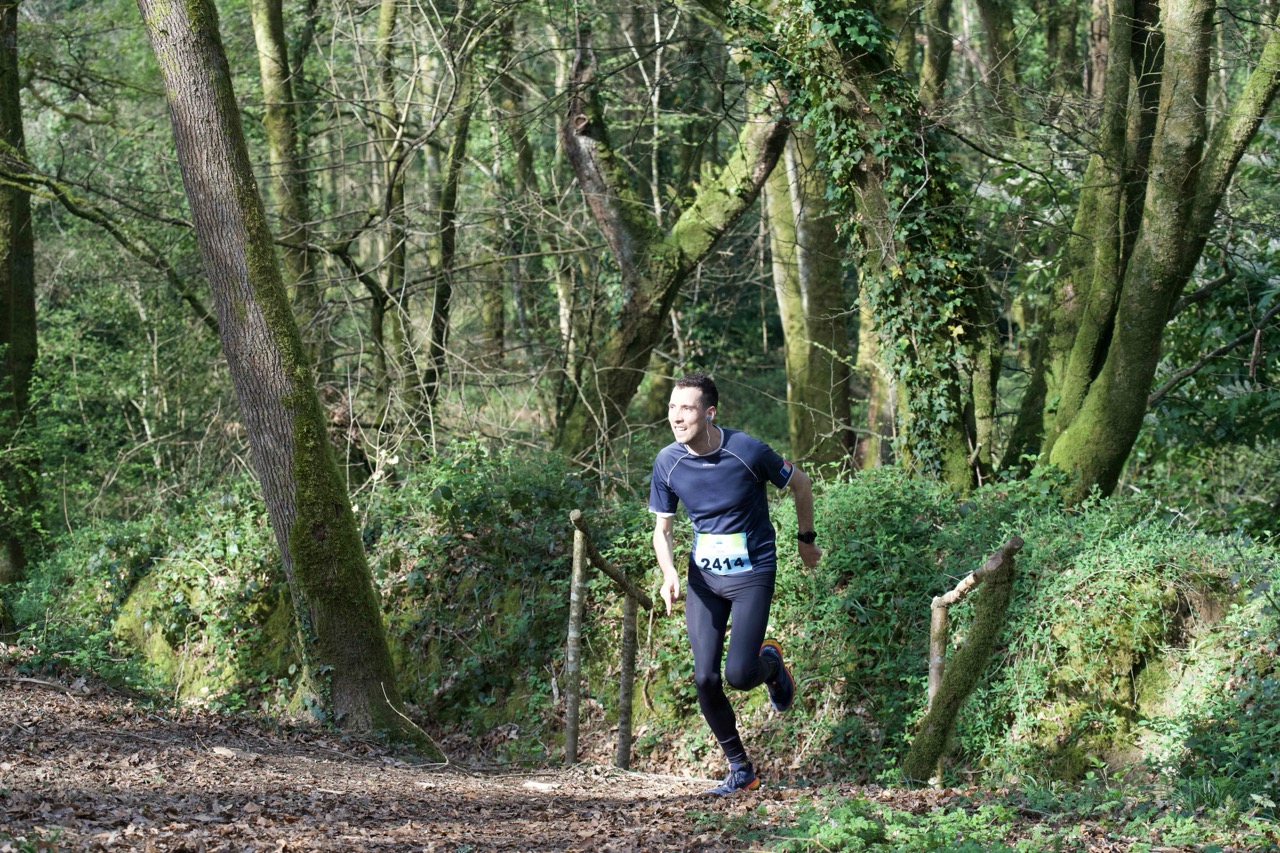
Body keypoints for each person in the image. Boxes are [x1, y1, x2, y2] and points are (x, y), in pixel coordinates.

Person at [649, 372, 821, 795]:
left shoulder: (746, 451)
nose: (676, 417)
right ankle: (741, 770)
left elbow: (801, 484)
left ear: (709, 413)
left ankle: (771, 663)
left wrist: (806, 541)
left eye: (686, 408)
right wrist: (669, 573)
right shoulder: (668, 461)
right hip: (704, 580)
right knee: (705, 678)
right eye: (672, 408)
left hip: (752, 574)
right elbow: (662, 530)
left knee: (740, 675)